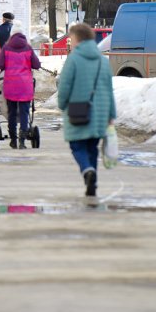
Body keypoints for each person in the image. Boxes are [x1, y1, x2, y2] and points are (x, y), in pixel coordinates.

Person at [57, 23, 116, 197]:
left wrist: (61, 104)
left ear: (78, 39)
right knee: (92, 147)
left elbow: (64, 86)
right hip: (100, 113)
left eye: (71, 38)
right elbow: (108, 88)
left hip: (77, 110)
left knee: (77, 146)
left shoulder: (73, 59)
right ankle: (93, 183)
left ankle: (87, 170)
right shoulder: (102, 60)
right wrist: (111, 114)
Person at [0, 21, 41, 149]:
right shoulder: (28, 47)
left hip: (10, 84)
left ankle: (13, 139)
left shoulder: (7, 47)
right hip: (25, 85)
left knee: (12, 112)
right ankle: (22, 140)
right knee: (25, 112)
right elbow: (36, 64)